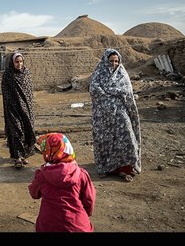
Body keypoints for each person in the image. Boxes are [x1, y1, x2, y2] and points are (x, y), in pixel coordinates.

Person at [89, 48, 141, 182]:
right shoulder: (98, 73)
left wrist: (109, 92)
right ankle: (105, 168)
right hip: (102, 116)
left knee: (126, 137)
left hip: (120, 114)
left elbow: (126, 91)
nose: (114, 64)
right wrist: (114, 95)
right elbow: (94, 90)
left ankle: (124, 170)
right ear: (105, 60)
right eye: (111, 61)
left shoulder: (122, 74)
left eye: (116, 61)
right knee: (103, 140)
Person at [28, 132, 96, 232]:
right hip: (77, 226)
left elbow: (34, 194)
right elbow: (89, 201)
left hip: (49, 226)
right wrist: (83, 214)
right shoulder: (81, 174)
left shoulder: (42, 175)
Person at [1, 52, 36, 168]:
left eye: (21, 62)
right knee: (16, 131)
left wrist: (28, 108)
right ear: (12, 62)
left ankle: (23, 155)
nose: (19, 64)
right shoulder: (8, 75)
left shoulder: (26, 74)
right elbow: (5, 92)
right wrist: (11, 105)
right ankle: (17, 157)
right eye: (17, 62)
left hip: (26, 109)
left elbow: (29, 93)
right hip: (13, 109)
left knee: (26, 130)